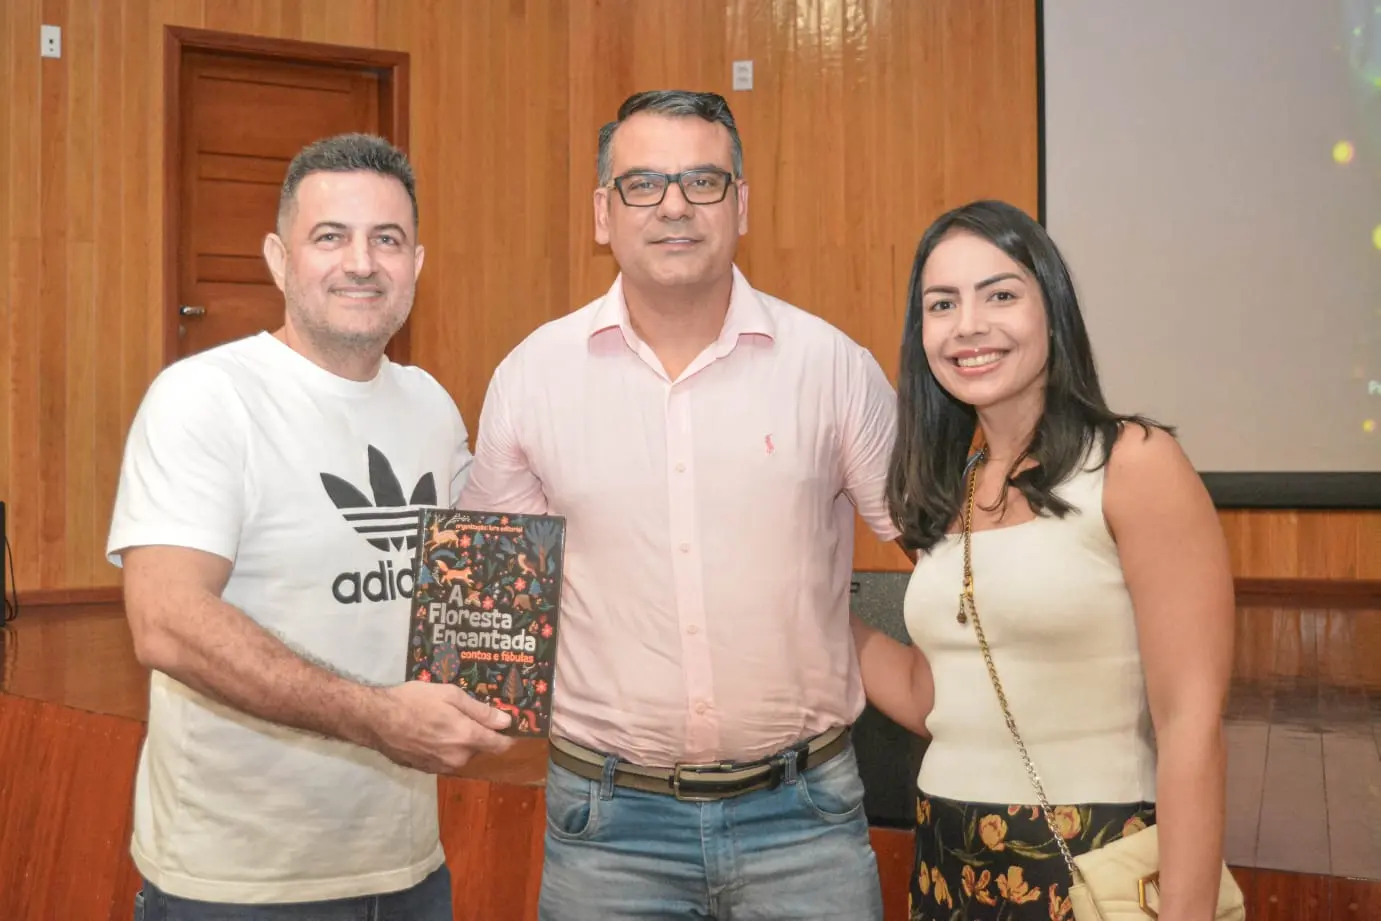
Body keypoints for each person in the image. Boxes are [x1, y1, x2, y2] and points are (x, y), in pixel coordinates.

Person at [459, 90, 902, 920]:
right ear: (603, 213)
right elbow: (493, 598)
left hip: (802, 819)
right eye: (642, 184)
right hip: (607, 829)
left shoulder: (833, 368)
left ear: (741, 205)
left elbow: (940, 544)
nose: (673, 206)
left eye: (702, 181)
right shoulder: (531, 377)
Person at [106, 133, 514, 920]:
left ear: (416, 263)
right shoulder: (204, 398)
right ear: (277, 257)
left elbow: (481, 579)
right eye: (330, 236)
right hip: (236, 885)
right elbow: (165, 623)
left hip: (407, 869)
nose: (361, 263)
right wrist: (380, 718)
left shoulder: (430, 405)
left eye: (386, 239)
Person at [852, 199, 1234, 921]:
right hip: (947, 861)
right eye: (942, 304)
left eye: (999, 295)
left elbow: (1191, 722)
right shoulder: (952, 491)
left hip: (1094, 859)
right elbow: (935, 699)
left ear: (1052, 313)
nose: (968, 324)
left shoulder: (1133, 463)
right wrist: (811, 605)